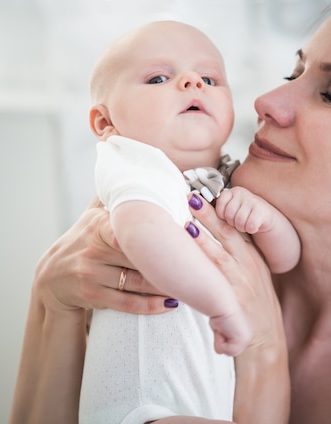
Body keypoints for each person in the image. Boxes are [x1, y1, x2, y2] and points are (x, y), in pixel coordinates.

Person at [9, 0, 331, 423]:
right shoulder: (172, 242)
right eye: (293, 75)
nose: (266, 103)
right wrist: (51, 301)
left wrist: (264, 352)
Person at [82, 20, 301, 423]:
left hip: (200, 399)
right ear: (104, 123)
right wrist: (219, 306)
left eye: (209, 78)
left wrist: (266, 222)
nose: (191, 83)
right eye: (159, 77)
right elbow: (145, 235)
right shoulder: (135, 167)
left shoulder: (230, 179)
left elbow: (284, 261)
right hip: (142, 402)